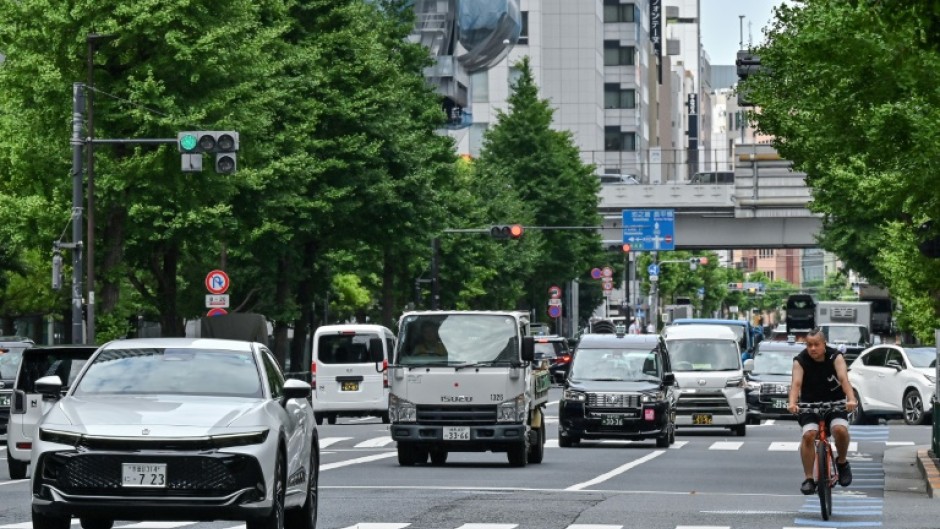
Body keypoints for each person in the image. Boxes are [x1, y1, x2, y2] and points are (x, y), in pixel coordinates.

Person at [786, 328, 858, 495]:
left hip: (835, 403)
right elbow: (796, 384)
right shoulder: (800, 360)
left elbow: (843, 379)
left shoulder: (835, 357)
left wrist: (851, 399)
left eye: (816, 345)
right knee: (809, 435)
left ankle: (842, 462)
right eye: (809, 345)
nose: (812, 349)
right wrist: (792, 403)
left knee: (840, 430)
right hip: (809, 405)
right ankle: (809, 478)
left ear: (824, 344)